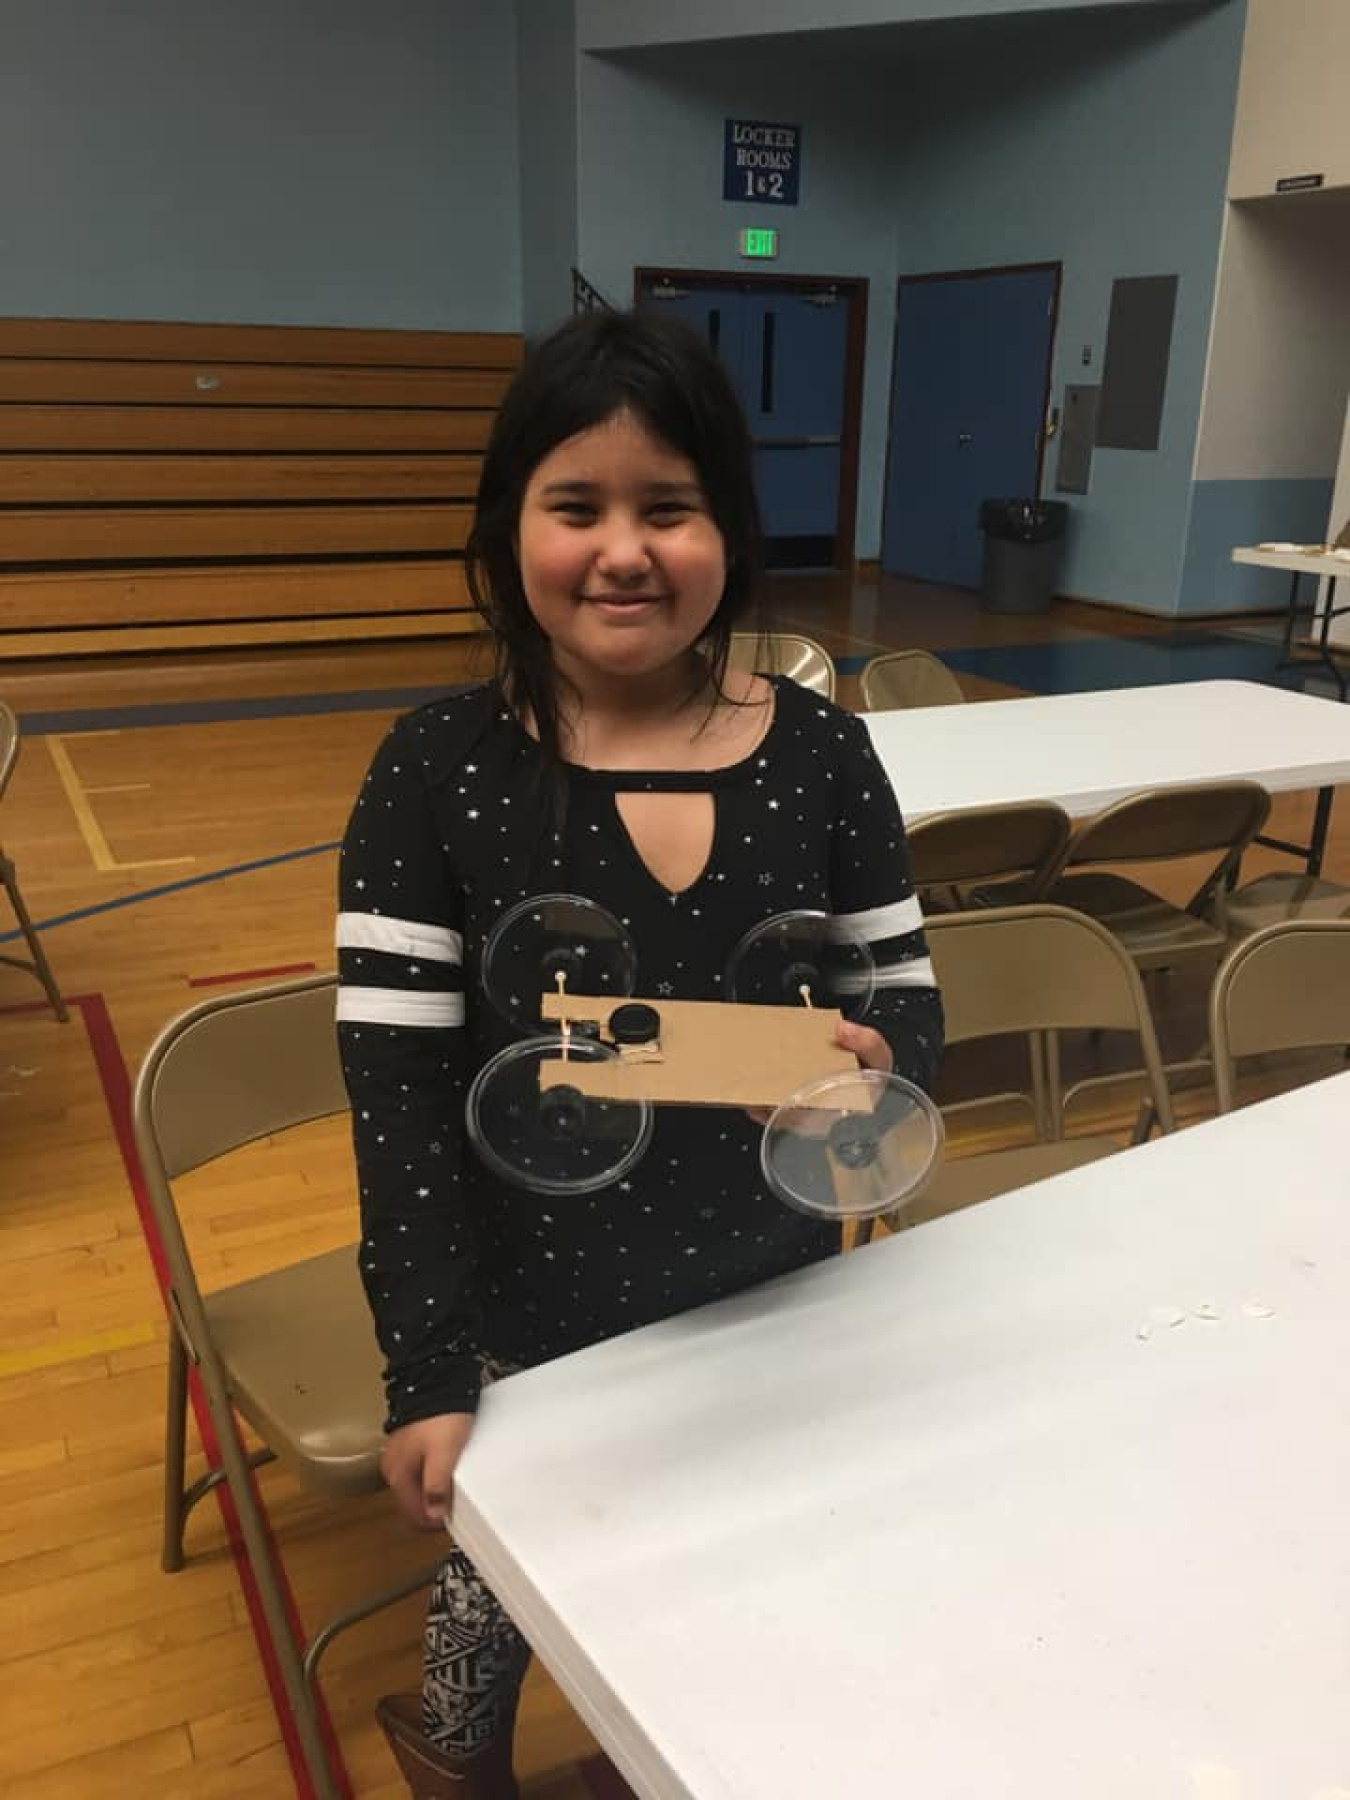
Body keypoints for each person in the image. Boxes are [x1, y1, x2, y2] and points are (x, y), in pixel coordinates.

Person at [336, 308, 943, 1799]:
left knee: (754, 1567)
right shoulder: (436, 765)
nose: (624, 549)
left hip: (774, 1287)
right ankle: (459, 1753)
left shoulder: (819, 749)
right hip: (531, 1311)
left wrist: (870, 1066)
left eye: (667, 508)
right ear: (508, 531)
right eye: (576, 506)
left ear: (727, 531)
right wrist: (427, 1366)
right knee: (504, 1584)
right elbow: (398, 1098)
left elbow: (912, 1010)